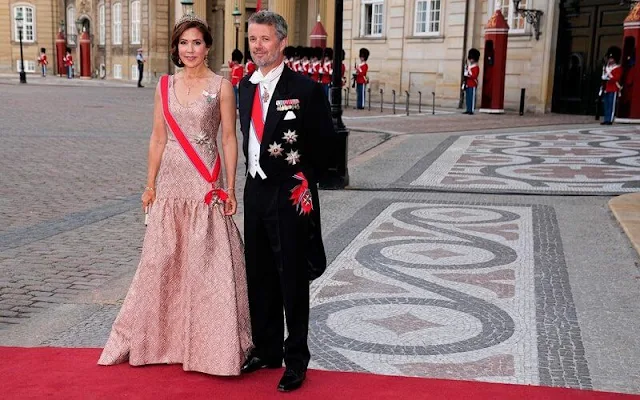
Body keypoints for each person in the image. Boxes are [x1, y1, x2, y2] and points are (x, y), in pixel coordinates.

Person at [98, 14, 252, 376]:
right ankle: (165, 341)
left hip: (204, 183)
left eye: (197, 43)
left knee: (206, 266)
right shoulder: (163, 85)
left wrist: (230, 187)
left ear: (208, 46)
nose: (190, 50)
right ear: (176, 48)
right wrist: (150, 184)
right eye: (184, 43)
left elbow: (229, 139)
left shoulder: (221, 87)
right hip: (170, 185)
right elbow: (157, 137)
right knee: (163, 262)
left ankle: (211, 346)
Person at [238, 10, 334, 392]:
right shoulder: (244, 87)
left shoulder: (306, 89)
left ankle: (296, 359)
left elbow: (324, 147)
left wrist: (300, 180)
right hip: (255, 190)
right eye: (253, 39)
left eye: (265, 39)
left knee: (292, 278)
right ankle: (266, 348)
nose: (258, 46)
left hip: (290, 193)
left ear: (280, 41)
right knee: (258, 274)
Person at [601, 46, 622, 125]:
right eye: (609, 58)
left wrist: (609, 74)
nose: (610, 60)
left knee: (611, 105)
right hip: (607, 88)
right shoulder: (606, 67)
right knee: (606, 104)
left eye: (612, 58)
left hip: (613, 88)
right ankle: (606, 118)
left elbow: (616, 78)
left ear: (615, 59)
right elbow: (603, 77)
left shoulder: (618, 68)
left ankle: (610, 120)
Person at [463, 48, 480, 115]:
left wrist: (468, 73)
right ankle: (468, 109)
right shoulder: (469, 66)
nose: (471, 60)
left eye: (472, 58)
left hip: (473, 84)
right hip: (468, 83)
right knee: (467, 97)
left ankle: (471, 110)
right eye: (470, 58)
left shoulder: (476, 67)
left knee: (472, 98)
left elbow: (474, 76)